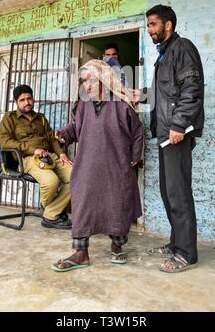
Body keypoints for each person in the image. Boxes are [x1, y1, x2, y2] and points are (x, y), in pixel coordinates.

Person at [51, 60, 143, 272]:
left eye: (91, 81)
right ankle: (81, 252)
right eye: (84, 82)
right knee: (83, 203)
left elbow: (137, 132)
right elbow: (75, 127)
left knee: (117, 202)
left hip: (116, 164)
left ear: (103, 78)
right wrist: (63, 135)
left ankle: (117, 245)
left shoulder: (121, 104)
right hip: (87, 165)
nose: (87, 86)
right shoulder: (83, 104)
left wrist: (134, 156)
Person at [136, 4, 204, 273]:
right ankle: (177, 244)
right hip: (166, 135)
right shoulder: (163, 57)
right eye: (148, 25)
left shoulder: (182, 48)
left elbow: (192, 89)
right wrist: (139, 95)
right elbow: (161, 95)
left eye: (153, 24)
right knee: (168, 192)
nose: (150, 29)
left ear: (168, 25)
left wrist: (179, 124)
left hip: (177, 134)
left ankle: (187, 253)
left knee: (179, 194)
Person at [0, 84, 73, 230]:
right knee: (51, 182)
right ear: (16, 102)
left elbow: (52, 139)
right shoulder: (10, 119)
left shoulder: (41, 118)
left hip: (50, 156)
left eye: (29, 98)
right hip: (26, 158)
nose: (27, 102)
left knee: (78, 177)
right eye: (22, 100)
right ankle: (52, 213)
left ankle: (50, 212)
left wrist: (61, 153)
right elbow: (5, 142)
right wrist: (33, 149)